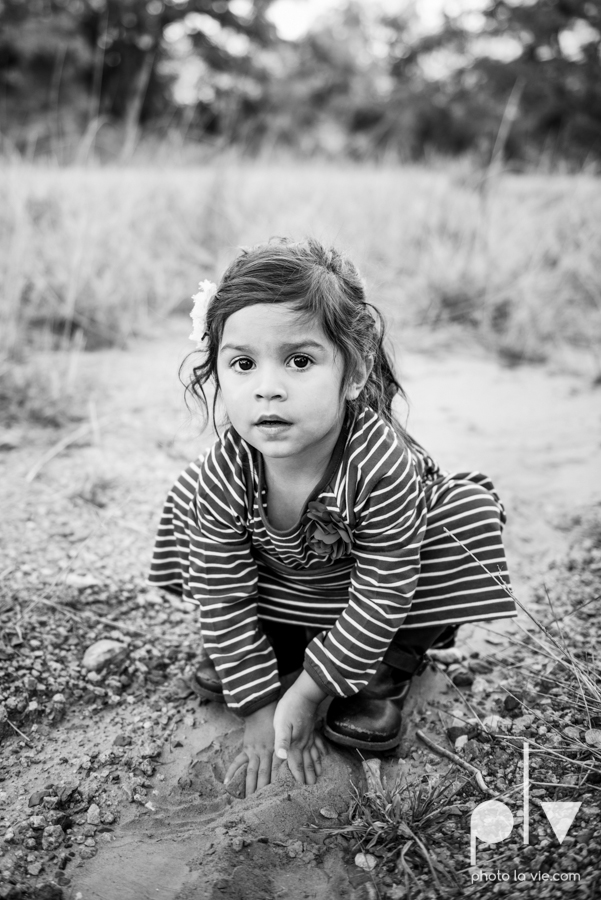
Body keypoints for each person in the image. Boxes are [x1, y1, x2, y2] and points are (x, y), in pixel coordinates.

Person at [149, 237, 516, 797]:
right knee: (189, 493)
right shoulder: (226, 468)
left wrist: (309, 692)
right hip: (287, 590)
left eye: (300, 361)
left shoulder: (380, 464)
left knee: (466, 510)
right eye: (243, 363)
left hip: (372, 601)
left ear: (353, 370)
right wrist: (258, 703)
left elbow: (383, 590)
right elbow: (223, 592)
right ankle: (274, 645)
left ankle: (386, 667)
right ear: (218, 370)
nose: (268, 387)